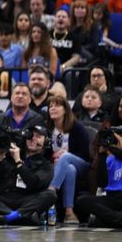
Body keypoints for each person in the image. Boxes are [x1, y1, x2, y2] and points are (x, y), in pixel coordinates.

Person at [0, 125, 56, 225]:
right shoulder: (8, 157)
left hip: (26, 200)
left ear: (46, 142)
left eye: (38, 136)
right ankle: (20, 218)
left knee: (50, 195)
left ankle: (2, 218)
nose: (33, 138)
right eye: (30, 135)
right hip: (3, 200)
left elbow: (33, 183)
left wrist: (18, 161)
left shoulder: (46, 165)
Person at [0, 84, 44, 190]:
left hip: (25, 160)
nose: (20, 96)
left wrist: (19, 158)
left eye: (24, 94)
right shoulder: (0, 118)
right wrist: (0, 156)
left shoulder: (37, 119)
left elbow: (41, 145)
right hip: (2, 158)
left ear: (30, 100)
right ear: (11, 98)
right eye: (17, 93)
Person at [46, 95, 92, 224]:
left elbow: (85, 154)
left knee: (66, 159)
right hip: (58, 166)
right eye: (50, 106)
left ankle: (51, 191)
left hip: (82, 165)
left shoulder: (77, 128)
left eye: (57, 105)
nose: (53, 108)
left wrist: (66, 154)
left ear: (65, 110)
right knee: (69, 169)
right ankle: (69, 212)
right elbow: (45, 154)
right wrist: (54, 158)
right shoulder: (48, 130)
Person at [75, 128, 122, 227]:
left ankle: (106, 220)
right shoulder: (109, 159)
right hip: (112, 198)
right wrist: (102, 155)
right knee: (82, 200)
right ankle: (117, 219)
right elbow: (102, 183)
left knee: (99, 221)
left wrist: (117, 149)